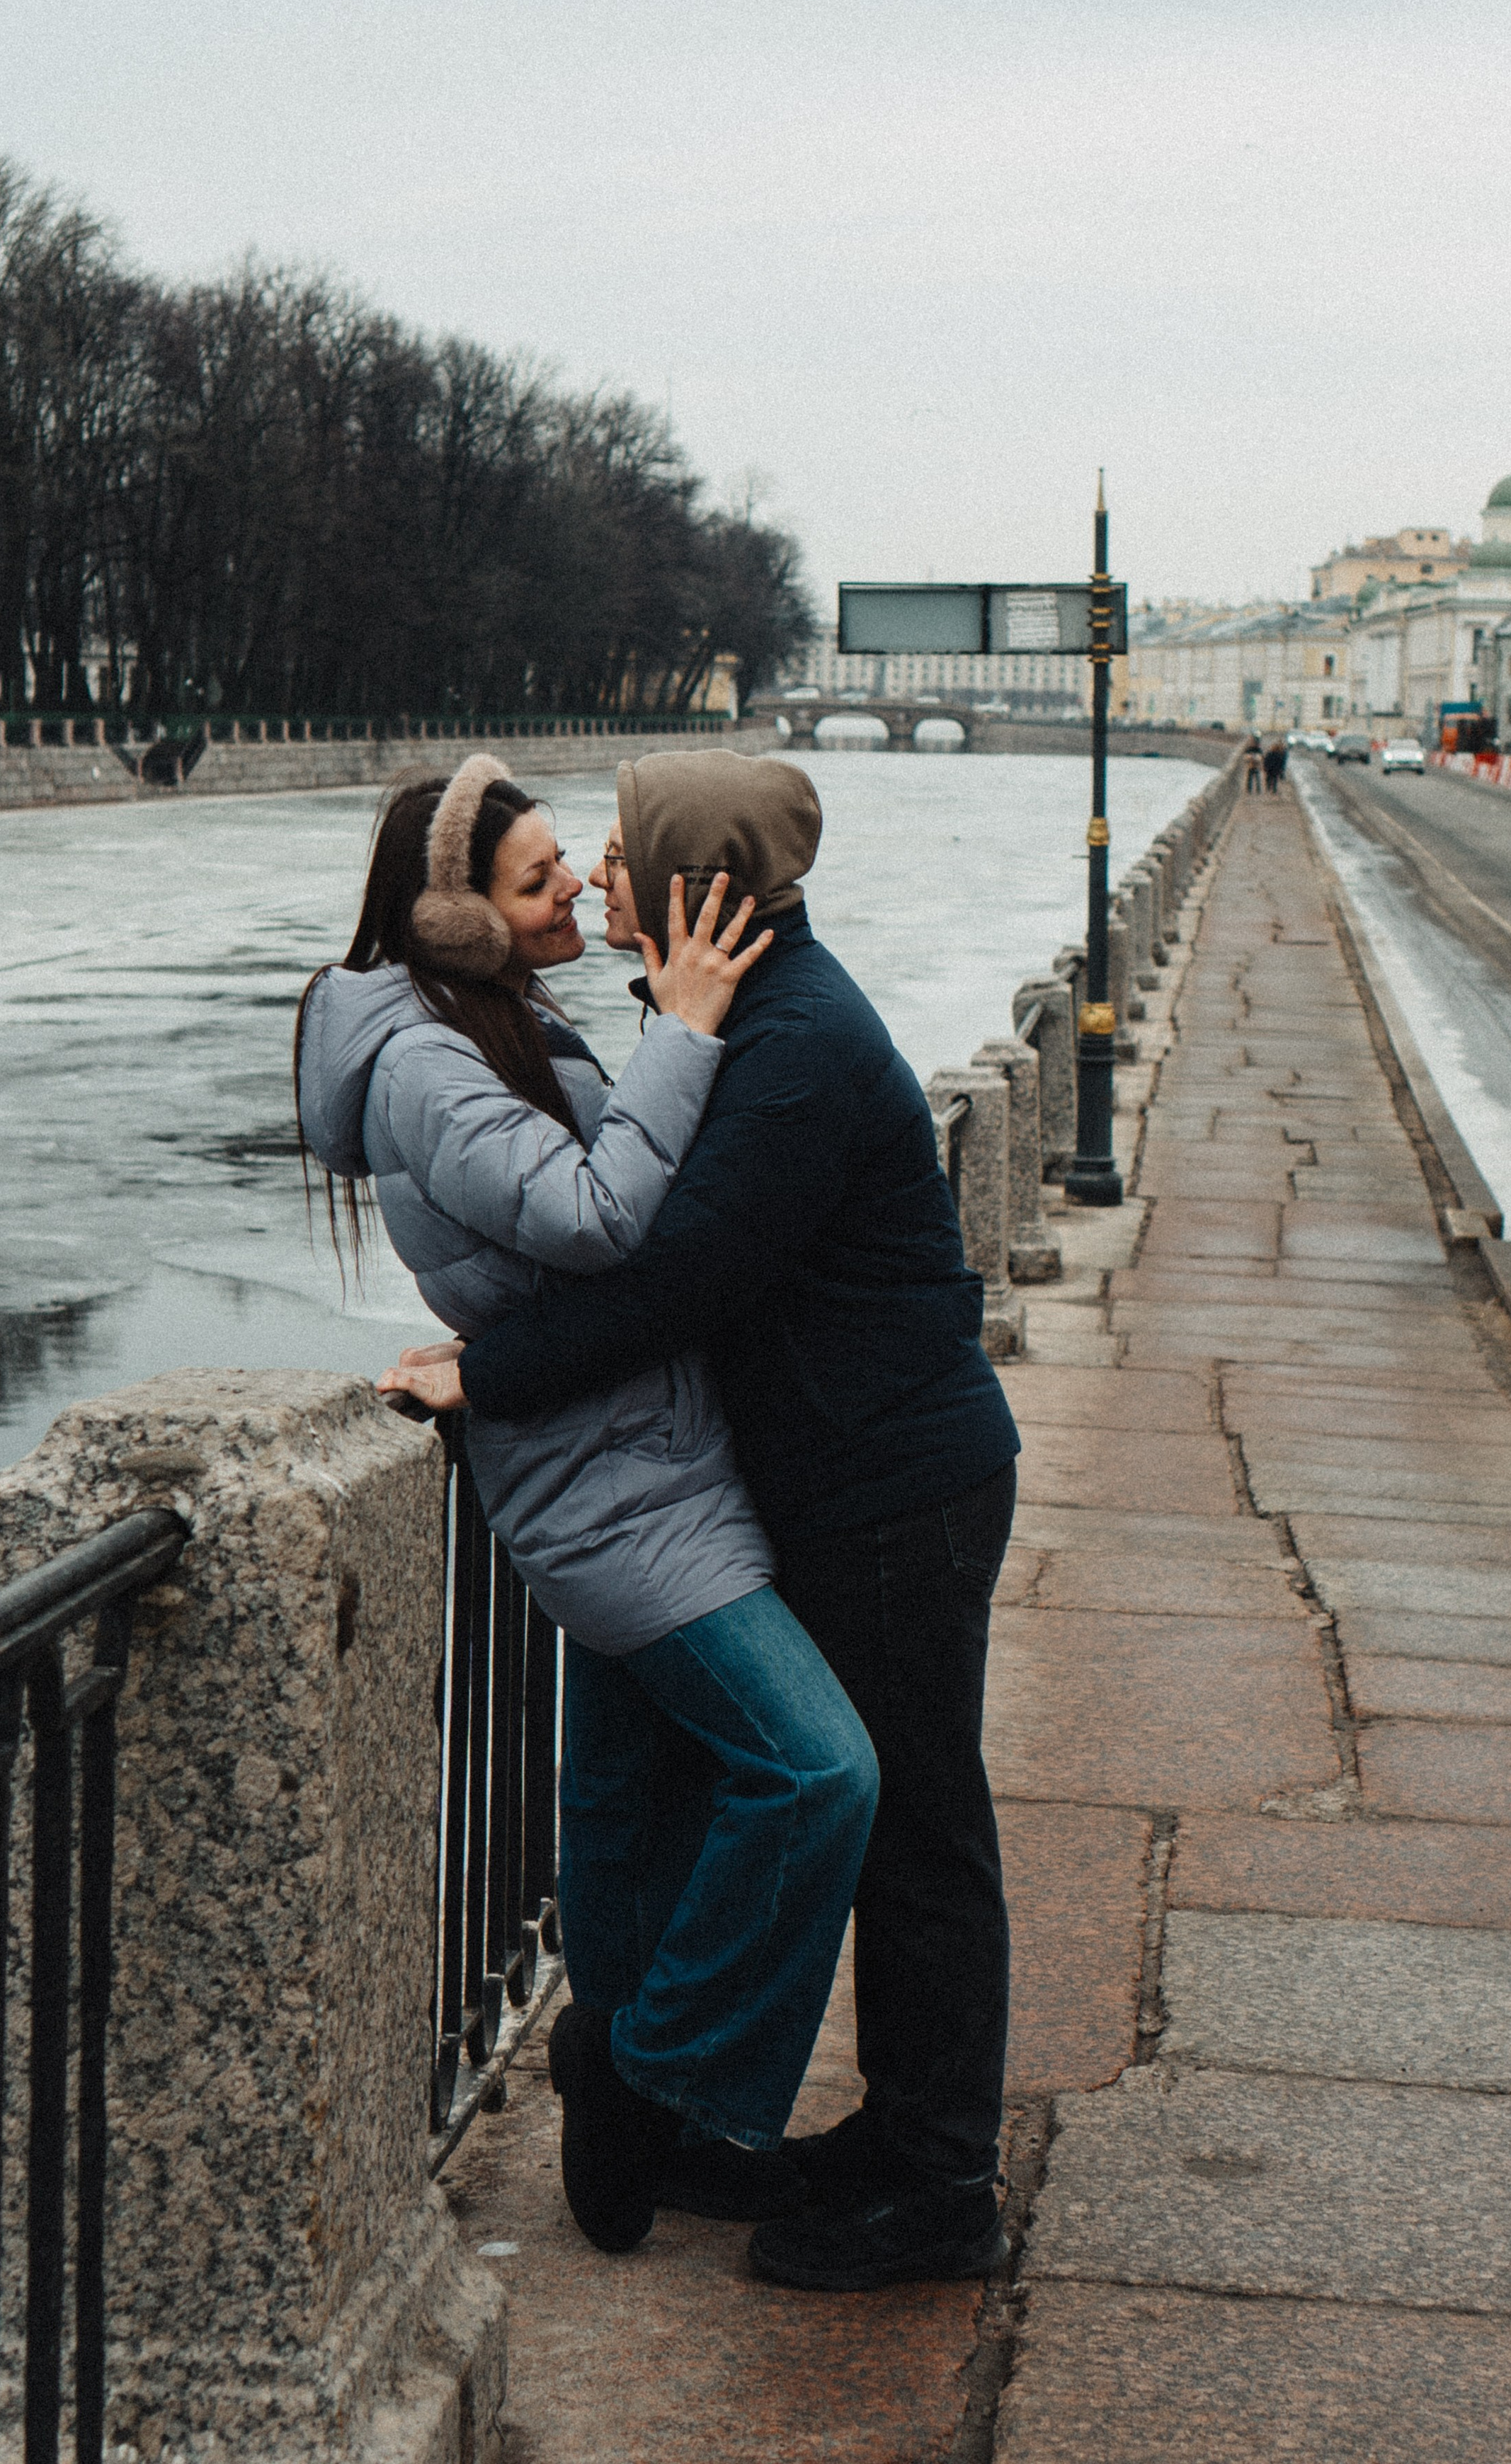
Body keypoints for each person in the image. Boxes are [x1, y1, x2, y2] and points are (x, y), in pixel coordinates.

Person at [382, 748, 1022, 2293]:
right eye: (578, 858)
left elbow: (679, 1276)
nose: (597, 875)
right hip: (843, 1472)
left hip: (888, 1482)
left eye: (616, 855)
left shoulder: (791, 1044)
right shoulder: (755, 1012)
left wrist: (486, 1371)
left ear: (692, 887)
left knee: (914, 1832)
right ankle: (884, 2135)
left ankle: (930, 2181)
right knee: (849, 1817)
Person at [294, 757, 878, 2259]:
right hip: (601, 1482)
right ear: (456, 918)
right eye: (537, 878)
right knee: (818, 1777)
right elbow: (593, 1215)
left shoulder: (502, 1018)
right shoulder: (425, 1058)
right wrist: (683, 1029)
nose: (572, 893)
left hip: (644, 1451)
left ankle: (651, 2145)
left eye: (571, 865)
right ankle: (644, 2073)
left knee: (625, 1810)